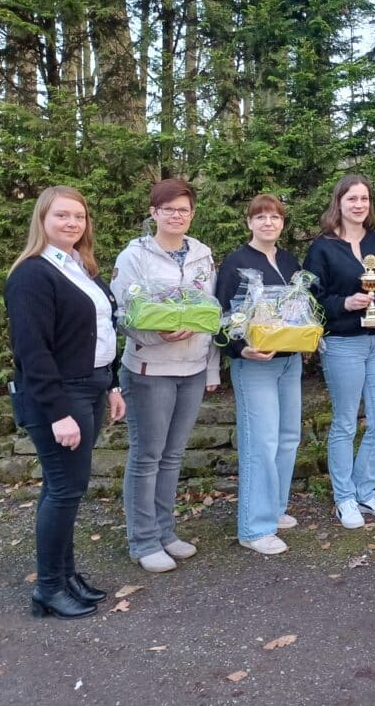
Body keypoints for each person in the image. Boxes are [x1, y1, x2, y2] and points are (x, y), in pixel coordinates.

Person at [4, 186, 126, 619]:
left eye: (79, 216)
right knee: (65, 490)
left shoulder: (80, 267)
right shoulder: (32, 274)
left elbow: (98, 334)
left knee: (63, 490)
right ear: (42, 219)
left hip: (90, 388)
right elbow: (31, 351)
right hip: (59, 395)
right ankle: (49, 589)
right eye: (62, 216)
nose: (72, 223)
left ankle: (65, 575)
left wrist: (110, 384)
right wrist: (58, 413)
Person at [111, 179, 220, 573]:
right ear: (154, 212)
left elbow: (210, 312)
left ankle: (165, 532)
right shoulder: (134, 256)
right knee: (147, 455)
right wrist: (155, 333)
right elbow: (122, 315)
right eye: (169, 209)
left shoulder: (203, 254)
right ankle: (142, 540)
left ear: (192, 214)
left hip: (191, 368)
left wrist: (210, 368)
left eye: (184, 210)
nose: (177, 216)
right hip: (149, 370)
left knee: (172, 456)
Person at [303, 175, 375, 529]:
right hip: (343, 343)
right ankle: (344, 498)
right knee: (346, 423)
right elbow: (311, 299)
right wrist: (345, 302)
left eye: (364, 199)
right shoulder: (322, 248)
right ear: (339, 203)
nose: (359, 205)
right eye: (352, 199)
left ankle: (366, 490)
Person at [214, 194, 303, 555]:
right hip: (254, 363)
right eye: (261, 217)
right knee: (260, 444)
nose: (269, 223)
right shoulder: (236, 262)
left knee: (287, 439)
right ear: (249, 222)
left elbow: (299, 308)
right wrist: (239, 349)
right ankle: (254, 527)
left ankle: (274, 509)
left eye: (275, 217)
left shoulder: (287, 260)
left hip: (288, 359)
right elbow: (220, 317)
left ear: (283, 223)